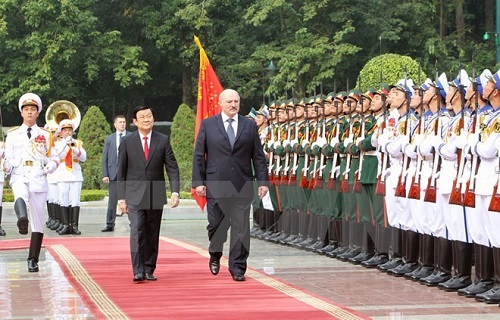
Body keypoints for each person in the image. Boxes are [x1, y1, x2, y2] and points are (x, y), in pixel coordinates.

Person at [192, 88, 269, 282]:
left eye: (236, 101)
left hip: (242, 183)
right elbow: (199, 156)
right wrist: (198, 183)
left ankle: (238, 266)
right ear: (220, 103)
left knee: (241, 227)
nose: (233, 105)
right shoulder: (209, 125)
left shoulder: (249, 126)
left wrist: (262, 182)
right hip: (216, 183)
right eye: (229, 102)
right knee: (216, 225)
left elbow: (258, 157)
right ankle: (215, 253)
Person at [117, 105, 180, 283]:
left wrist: (175, 191)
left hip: (156, 194)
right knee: (137, 230)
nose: (146, 119)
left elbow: (172, 167)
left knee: (152, 231)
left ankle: (149, 268)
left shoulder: (162, 140)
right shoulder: (127, 142)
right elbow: (121, 171)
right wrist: (121, 198)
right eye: (142, 117)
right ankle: (138, 270)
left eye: (149, 116)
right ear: (135, 122)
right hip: (134, 195)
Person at [4, 93, 57, 272]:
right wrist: (6, 166)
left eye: (32, 110)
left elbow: (54, 156)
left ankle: (33, 259)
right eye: (26, 109)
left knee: (39, 220)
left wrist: (50, 166)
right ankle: (21, 220)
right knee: (19, 194)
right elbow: (9, 157)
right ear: (21, 113)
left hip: (38, 176)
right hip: (19, 174)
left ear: (37, 113)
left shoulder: (45, 135)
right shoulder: (12, 135)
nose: (29, 112)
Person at [53, 119, 87, 235]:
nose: (67, 132)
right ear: (61, 132)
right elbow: (57, 155)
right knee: (63, 198)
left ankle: (74, 225)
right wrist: (65, 143)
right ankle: (65, 225)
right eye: (65, 130)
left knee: (75, 200)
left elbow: (83, 158)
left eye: (69, 130)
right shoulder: (58, 144)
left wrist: (75, 148)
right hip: (63, 173)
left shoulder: (78, 143)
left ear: (73, 132)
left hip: (75, 174)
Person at [101, 115, 128, 232]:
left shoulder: (132, 136)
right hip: (114, 174)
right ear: (115, 124)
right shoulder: (110, 138)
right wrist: (105, 174)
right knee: (112, 201)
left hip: (128, 174)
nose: (122, 124)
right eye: (120, 122)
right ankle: (110, 224)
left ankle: (134, 223)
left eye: (124, 122)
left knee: (131, 200)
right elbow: (105, 158)